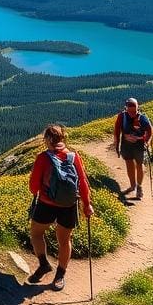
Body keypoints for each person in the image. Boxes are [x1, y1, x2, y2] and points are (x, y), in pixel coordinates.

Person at [27, 124, 94, 290]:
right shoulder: (73, 156)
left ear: (47, 139)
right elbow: (83, 182)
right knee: (65, 240)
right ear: (62, 138)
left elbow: (33, 188)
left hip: (46, 204)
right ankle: (60, 275)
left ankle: (43, 264)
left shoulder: (42, 158)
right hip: (69, 205)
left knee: (36, 233)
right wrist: (87, 204)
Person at [113, 97, 153, 200]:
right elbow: (117, 131)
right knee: (129, 163)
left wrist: (146, 142)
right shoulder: (121, 117)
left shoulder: (142, 118)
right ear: (126, 108)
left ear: (137, 107)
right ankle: (132, 185)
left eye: (134, 111)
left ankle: (139, 187)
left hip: (139, 144)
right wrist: (117, 146)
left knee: (139, 164)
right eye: (129, 111)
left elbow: (149, 131)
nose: (132, 113)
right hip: (126, 145)